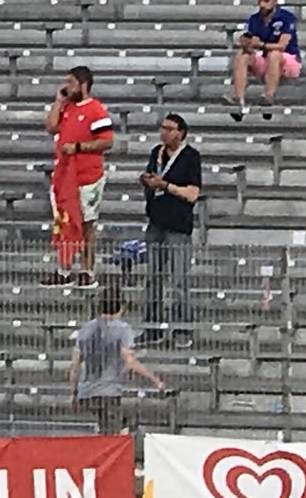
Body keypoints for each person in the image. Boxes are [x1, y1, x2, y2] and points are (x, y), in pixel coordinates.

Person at [45, 65, 114, 288]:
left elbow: (107, 141)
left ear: (83, 84)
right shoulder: (67, 108)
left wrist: (79, 147)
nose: (67, 87)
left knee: (86, 223)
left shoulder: (96, 110)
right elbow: (51, 127)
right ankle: (64, 268)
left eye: (71, 82)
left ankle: (87, 269)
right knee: (64, 221)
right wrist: (58, 102)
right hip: (64, 175)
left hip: (86, 176)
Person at [68, 284, 164, 432]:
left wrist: (74, 392)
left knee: (108, 426)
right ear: (121, 307)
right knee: (115, 432)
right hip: (109, 392)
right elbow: (129, 360)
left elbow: (75, 365)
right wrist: (154, 379)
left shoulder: (86, 329)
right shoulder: (123, 329)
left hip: (86, 391)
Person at [139, 113, 202, 330]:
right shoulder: (156, 152)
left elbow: (192, 193)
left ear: (180, 133)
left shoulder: (190, 157)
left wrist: (166, 186)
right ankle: (152, 326)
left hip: (178, 225)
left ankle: (182, 327)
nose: (164, 132)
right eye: (162, 128)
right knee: (153, 278)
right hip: (156, 221)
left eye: (169, 129)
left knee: (178, 280)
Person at [231, 0, 301, 120]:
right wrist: (246, 44)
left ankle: (269, 96)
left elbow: (282, 45)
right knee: (242, 56)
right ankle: (239, 100)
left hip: (288, 60)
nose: (262, 5)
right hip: (266, 59)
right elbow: (252, 43)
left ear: (275, 0)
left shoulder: (286, 17)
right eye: (259, 1)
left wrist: (261, 44)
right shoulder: (254, 19)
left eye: (266, 1)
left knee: (274, 54)